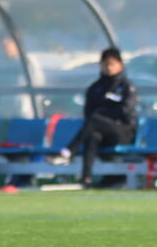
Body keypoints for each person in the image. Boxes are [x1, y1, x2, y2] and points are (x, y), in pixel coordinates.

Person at [53, 47, 138, 187]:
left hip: (122, 132)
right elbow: (88, 111)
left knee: (95, 119)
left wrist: (103, 112)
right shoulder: (95, 88)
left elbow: (125, 111)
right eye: (105, 64)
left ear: (120, 65)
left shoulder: (126, 87)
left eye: (112, 64)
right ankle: (86, 177)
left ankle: (69, 151)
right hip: (101, 133)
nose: (108, 67)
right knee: (93, 136)